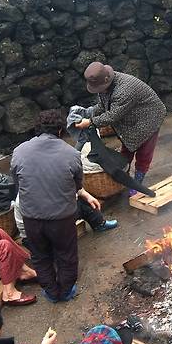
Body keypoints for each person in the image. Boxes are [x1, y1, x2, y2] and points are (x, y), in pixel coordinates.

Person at [11, 110, 103, 303]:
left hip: (32, 218)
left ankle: (52, 292)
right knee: (66, 255)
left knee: (40, 256)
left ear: (37, 130)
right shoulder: (71, 154)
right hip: (62, 219)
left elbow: (18, 184)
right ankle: (66, 290)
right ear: (60, 130)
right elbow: (77, 185)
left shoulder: (19, 151)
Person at [74, 62, 166, 195]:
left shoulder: (123, 91)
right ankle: (123, 177)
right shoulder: (107, 85)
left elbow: (112, 116)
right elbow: (103, 105)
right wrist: (88, 113)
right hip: (133, 117)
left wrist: (90, 122)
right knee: (126, 149)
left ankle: (137, 183)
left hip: (150, 118)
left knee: (143, 153)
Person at [14, 195, 118, 254]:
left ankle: (99, 224)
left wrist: (84, 194)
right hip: (35, 236)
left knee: (82, 201)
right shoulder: (25, 199)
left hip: (53, 221)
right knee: (54, 256)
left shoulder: (49, 183)